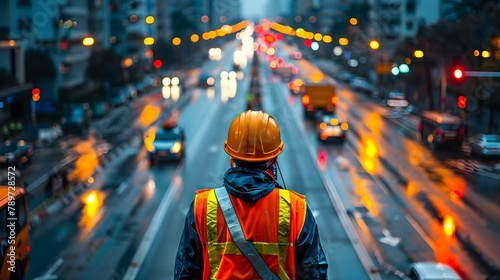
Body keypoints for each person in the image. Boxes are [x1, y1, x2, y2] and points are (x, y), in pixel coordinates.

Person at [175, 110, 328, 279]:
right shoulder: (297, 210)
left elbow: (185, 272)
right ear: (274, 159)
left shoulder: (202, 207)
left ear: (232, 157)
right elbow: (314, 273)